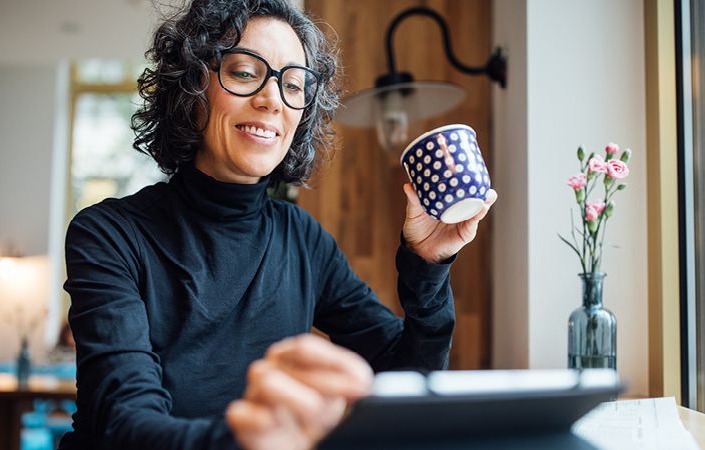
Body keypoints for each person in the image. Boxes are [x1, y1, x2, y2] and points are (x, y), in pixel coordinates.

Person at [60, 1, 497, 449]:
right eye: (245, 73)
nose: (272, 99)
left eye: (293, 84)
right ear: (191, 87)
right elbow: (125, 424)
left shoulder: (302, 238)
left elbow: (407, 378)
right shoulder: (108, 234)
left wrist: (428, 266)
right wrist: (259, 438)